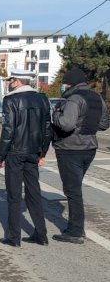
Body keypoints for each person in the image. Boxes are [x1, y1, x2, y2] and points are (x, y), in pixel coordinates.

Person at [51, 67, 110, 244]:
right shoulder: (97, 97)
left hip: (70, 150)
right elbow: (104, 124)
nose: (62, 87)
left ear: (70, 83)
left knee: (73, 191)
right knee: (74, 189)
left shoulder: (74, 99)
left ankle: (75, 231)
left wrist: (55, 114)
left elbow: (66, 124)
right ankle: (78, 228)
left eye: (64, 84)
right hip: (89, 148)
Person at [0, 68, 52, 247]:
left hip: (15, 152)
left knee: (13, 195)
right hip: (33, 152)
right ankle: (41, 234)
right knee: (34, 192)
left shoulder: (10, 100)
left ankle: (14, 237)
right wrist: (42, 152)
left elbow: (8, 130)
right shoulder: (43, 99)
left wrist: (1, 154)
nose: (9, 83)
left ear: (18, 81)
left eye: (10, 80)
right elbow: (47, 128)